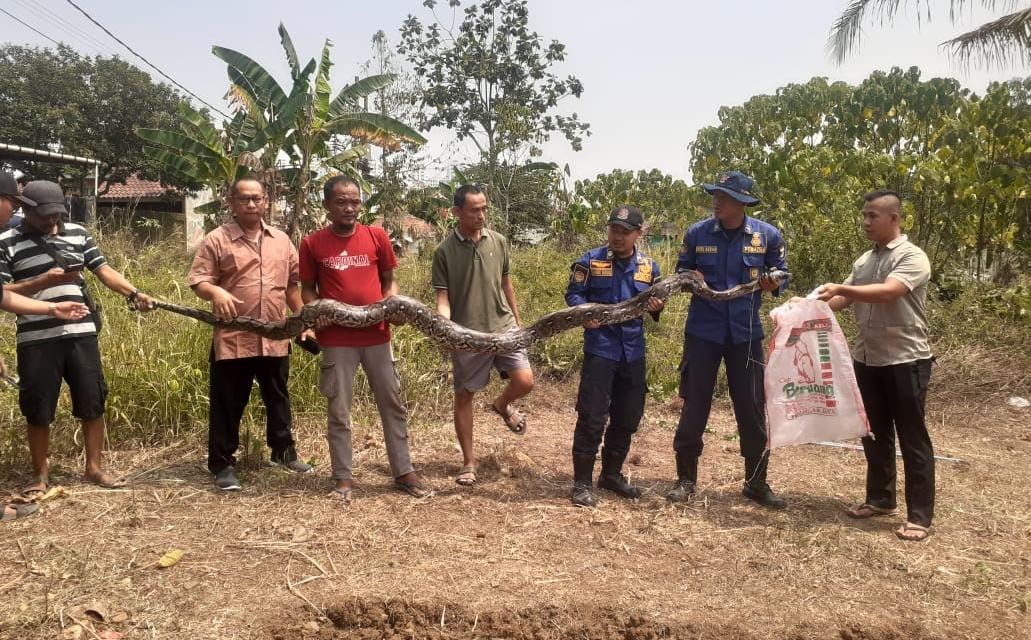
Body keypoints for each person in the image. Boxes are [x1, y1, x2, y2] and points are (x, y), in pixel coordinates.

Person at [0, 180, 154, 496]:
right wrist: (44, 280)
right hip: (36, 337)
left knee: (92, 399)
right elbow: (2, 293)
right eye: (44, 215)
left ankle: (94, 468)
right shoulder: (7, 241)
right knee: (38, 406)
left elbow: (104, 270)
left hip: (82, 333)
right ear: (26, 209)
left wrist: (135, 292)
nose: (51, 221)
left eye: (56, 214)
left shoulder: (78, 234)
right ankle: (40, 476)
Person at [299, 176, 430, 502]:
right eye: (342, 202)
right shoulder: (312, 244)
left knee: (392, 405)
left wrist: (393, 306)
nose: (349, 208)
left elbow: (389, 283)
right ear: (328, 205)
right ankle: (342, 478)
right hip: (337, 339)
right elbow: (306, 290)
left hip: (377, 336)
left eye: (355, 201)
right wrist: (316, 312)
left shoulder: (376, 236)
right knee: (339, 410)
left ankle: (403, 471)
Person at [816, 190, 935, 542]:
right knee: (875, 432)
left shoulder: (913, 257)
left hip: (905, 358)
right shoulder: (864, 260)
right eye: (864, 215)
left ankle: (920, 516)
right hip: (867, 357)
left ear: (894, 218)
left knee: (912, 437)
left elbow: (889, 291)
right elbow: (842, 297)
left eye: (873, 216)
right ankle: (881, 499)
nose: (866, 222)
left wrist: (843, 288)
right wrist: (807, 308)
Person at [667, 170, 788, 508]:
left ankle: (756, 482)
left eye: (723, 196)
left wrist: (773, 282)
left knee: (751, 408)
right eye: (714, 195)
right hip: (703, 333)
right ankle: (686, 480)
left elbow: (782, 273)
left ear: (742, 202)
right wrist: (691, 278)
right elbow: (681, 273)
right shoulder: (696, 234)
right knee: (694, 406)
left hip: (746, 335)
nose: (716, 201)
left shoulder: (767, 236)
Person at [188, 177, 313, 491]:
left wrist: (302, 322)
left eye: (257, 198)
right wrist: (215, 293)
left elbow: (292, 286)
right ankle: (222, 464)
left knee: (278, 397)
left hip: (275, 334)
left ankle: (283, 452)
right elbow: (199, 281)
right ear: (232, 202)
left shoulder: (282, 241)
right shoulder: (217, 239)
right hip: (234, 337)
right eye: (244, 199)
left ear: (266, 201)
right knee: (228, 401)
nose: (251, 204)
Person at [432, 184, 535, 486]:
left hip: (503, 327)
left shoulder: (499, 242)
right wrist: (446, 327)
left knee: (525, 381)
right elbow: (443, 298)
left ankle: (502, 405)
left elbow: (506, 285)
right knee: (464, 396)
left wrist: (518, 323)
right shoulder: (444, 252)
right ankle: (468, 462)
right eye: (474, 209)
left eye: (484, 208)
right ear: (457, 212)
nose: (481, 215)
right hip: (466, 334)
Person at [564, 206, 664, 507]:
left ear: (638, 234)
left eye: (624, 231)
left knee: (628, 416)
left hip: (633, 352)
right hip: (601, 349)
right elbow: (573, 295)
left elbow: (657, 301)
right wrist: (583, 313)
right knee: (592, 415)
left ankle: (611, 474)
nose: (617, 236)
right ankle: (581, 482)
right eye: (613, 230)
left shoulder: (649, 267)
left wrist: (657, 307)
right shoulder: (590, 261)